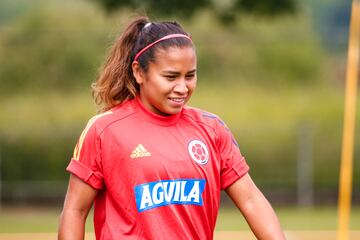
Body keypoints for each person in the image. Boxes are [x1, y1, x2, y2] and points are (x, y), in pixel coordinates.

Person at [58, 16, 285, 240]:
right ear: (139, 72)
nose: (182, 87)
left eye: (190, 76)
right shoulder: (104, 130)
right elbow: (74, 211)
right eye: (171, 77)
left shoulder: (211, 128)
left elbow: (251, 200)